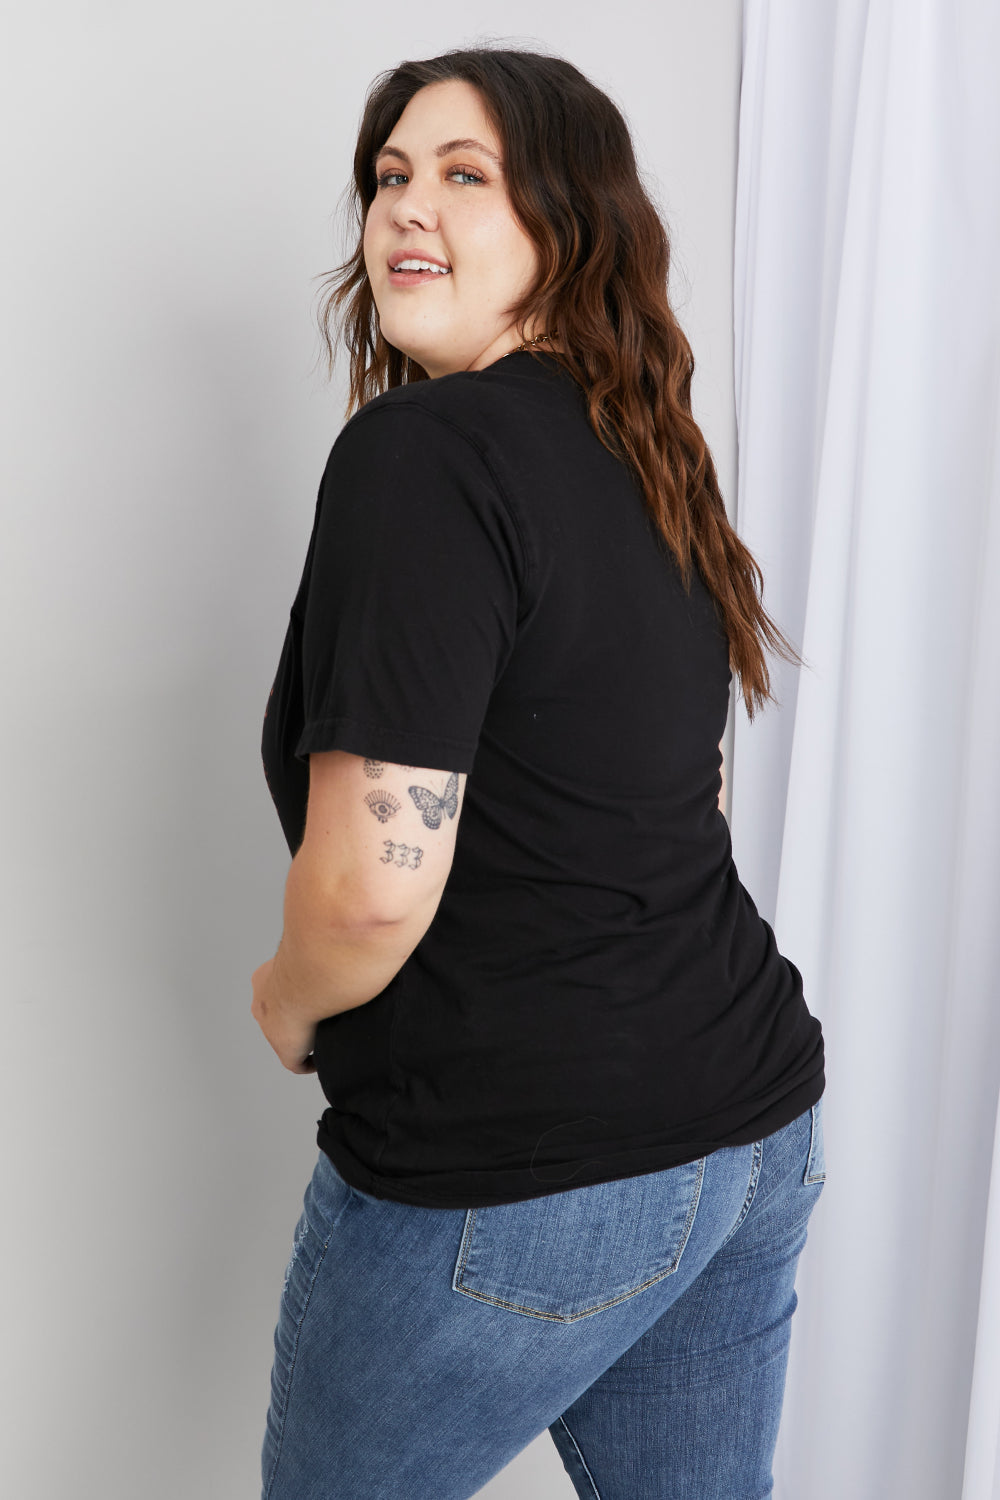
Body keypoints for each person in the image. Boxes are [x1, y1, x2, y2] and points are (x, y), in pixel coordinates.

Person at [252, 45, 827, 1500]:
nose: (405, 208)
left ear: (568, 223)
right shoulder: (649, 448)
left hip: (523, 1166)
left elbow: (375, 889)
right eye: (390, 175)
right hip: (748, 1126)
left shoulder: (420, 456)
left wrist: (284, 1000)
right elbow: (690, 796)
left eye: (466, 175)